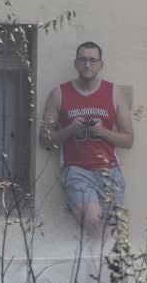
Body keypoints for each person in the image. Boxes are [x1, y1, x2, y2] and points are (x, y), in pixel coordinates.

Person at [39, 41, 134, 246]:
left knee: (108, 236)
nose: (87, 64)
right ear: (75, 63)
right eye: (83, 59)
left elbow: (128, 140)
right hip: (76, 171)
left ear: (101, 64)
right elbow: (44, 139)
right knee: (93, 223)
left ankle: (95, 276)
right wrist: (70, 129)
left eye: (93, 60)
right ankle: (93, 276)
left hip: (111, 173)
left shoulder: (113, 93)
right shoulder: (59, 94)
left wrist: (101, 131)